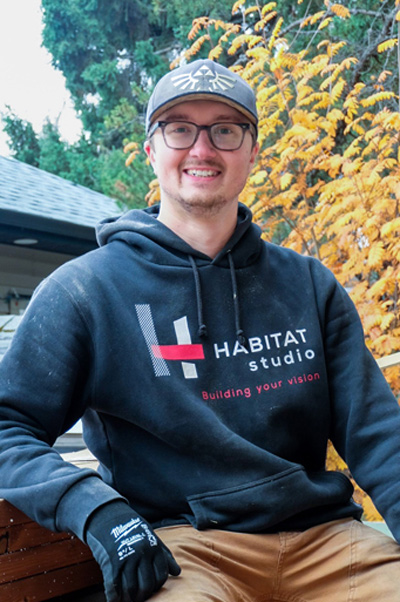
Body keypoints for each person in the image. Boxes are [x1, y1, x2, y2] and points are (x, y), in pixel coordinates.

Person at [0, 58, 400, 602]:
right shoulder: (85, 291)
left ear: (252, 151)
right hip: (184, 549)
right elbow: (8, 426)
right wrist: (95, 509)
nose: (203, 149)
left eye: (225, 131)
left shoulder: (308, 284)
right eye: (180, 129)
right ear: (151, 149)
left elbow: (378, 434)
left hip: (326, 540)